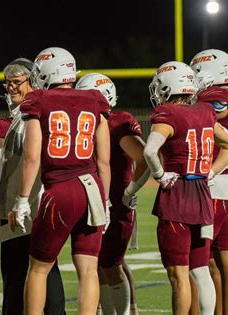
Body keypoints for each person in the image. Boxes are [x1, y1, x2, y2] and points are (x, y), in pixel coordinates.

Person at [10, 47, 111, 315]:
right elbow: (104, 161)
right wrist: (107, 200)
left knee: (39, 267)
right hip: (92, 188)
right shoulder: (94, 99)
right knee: (88, 269)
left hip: (60, 189)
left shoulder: (39, 100)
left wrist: (21, 201)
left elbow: (32, 157)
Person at [145, 61, 228, 315]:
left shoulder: (168, 114)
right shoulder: (205, 112)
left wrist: (160, 174)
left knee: (179, 275)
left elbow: (150, 150)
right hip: (202, 194)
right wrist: (210, 171)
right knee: (200, 270)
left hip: (176, 195)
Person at [0, 58, 66, 315]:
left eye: (16, 82)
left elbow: (33, 161)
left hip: (27, 207)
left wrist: (22, 202)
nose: (10, 88)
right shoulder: (26, 114)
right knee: (42, 268)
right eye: (7, 83)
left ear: (33, 81)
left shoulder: (31, 116)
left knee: (22, 272)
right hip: (28, 205)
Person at [76, 73, 150, 315]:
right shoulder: (83, 121)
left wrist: (130, 190)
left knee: (111, 263)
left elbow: (144, 158)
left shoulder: (119, 123)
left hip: (115, 201)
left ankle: (126, 311)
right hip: (91, 198)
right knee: (97, 263)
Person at [191, 49, 228, 315]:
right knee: (226, 259)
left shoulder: (217, 96)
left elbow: (215, 111)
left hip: (215, 180)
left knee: (197, 260)